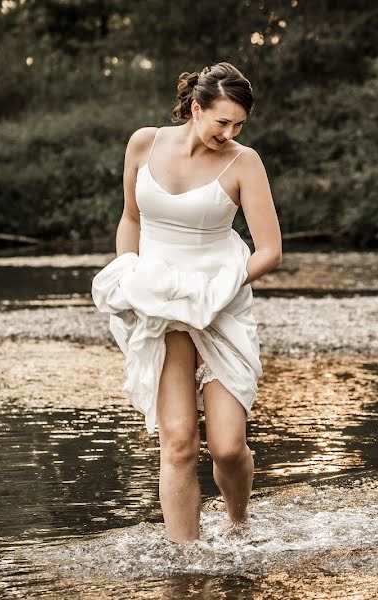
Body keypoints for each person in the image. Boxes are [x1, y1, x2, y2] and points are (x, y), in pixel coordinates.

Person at [91, 62, 282, 542]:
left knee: (227, 446)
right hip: (159, 307)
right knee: (177, 444)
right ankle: (185, 567)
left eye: (239, 124)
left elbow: (270, 251)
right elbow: (130, 217)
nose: (230, 132)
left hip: (219, 306)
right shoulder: (144, 143)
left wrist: (216, 289)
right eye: (222, 121)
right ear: (195, 108)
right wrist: (129, 274)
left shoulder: (245, 162)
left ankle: (239, 526)